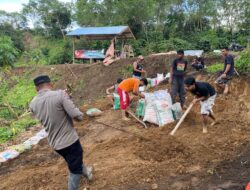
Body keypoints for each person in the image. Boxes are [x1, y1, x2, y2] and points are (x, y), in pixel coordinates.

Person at [29, 75, 93, 190]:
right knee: (74, 169)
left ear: (36, 89)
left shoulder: (33, 103)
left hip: (55, 143)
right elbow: (77, 116)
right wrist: (67, 100)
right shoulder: (59, 95)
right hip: (70, 141)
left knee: (73, 160)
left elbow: (43, 115)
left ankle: (87, 172)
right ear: (50, 84)